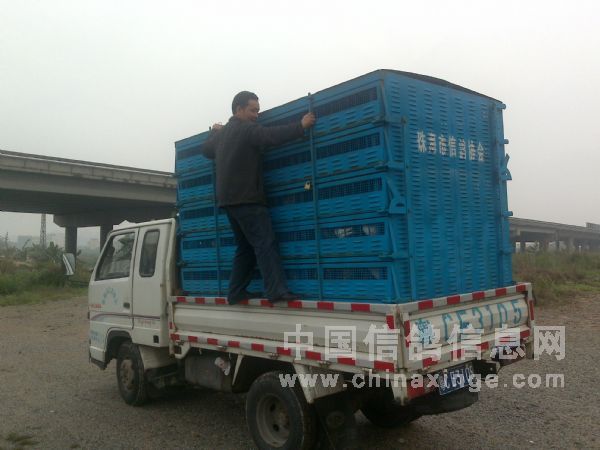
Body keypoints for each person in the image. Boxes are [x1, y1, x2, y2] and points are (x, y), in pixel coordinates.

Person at [201, 91, 316, 304]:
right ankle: (276, 290)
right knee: (265, 243)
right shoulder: (246, 129)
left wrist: (215, 131)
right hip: (248, 199)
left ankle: (236, 292)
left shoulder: (222, 134)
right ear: (239, 109)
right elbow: (271, 136)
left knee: (245, 247)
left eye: (258, 111)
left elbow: (206, 149)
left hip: (227, 201)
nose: (256, 115)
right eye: (253, 110)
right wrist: (300, 126)